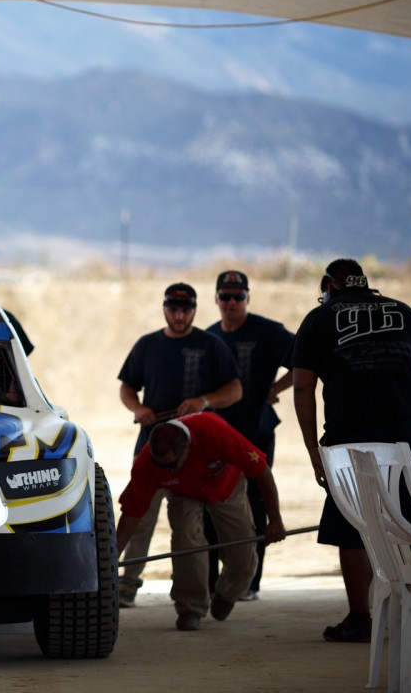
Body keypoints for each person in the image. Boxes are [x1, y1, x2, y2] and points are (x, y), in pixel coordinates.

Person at [292, 257, 411, 643]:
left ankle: (361, 617)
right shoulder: (404, 312)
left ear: (331, 285)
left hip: (349, 442)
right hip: (405, 440)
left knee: (351, 528)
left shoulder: (319, 318)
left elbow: (303, 386)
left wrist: (312, 448)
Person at [116, 281, 242, 607]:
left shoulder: (211, 344)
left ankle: (203, 597)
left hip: (197, 453)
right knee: (141, 517)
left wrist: (204, 400)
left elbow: (235, 390)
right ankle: (126, 585)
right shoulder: (147, 345)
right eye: (173, 308)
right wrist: (138, 408)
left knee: (190, 529)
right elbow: (127, 387)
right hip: (153, 447)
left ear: (195, 310)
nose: (179, 314)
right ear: (165, 308)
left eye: (185, 309)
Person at [116, 414, 287, 631]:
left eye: (172, 466)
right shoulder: (146, 463)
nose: (167, 470)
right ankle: (190, 608)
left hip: (226, 489)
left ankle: (227, 593)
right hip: (182, 493)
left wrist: (276, 520)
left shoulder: (214, 431)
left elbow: (262, 471)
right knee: (186, 538)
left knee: (242, 552)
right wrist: (112, 556)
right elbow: (133, 512)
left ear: (186, 447)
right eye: (163, 467)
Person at [204, 269, 295, 601]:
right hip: (217, 435)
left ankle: (250, 583)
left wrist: (276, 387)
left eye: (238, 296)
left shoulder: (268, 331)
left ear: (248, 297)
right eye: (225, 296)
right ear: (215, 299)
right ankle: (212, 583)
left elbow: (305, 360)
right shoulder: (209, 337)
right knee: (211, 502)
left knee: (258, 504)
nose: (231, 302)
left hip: (256, 429)